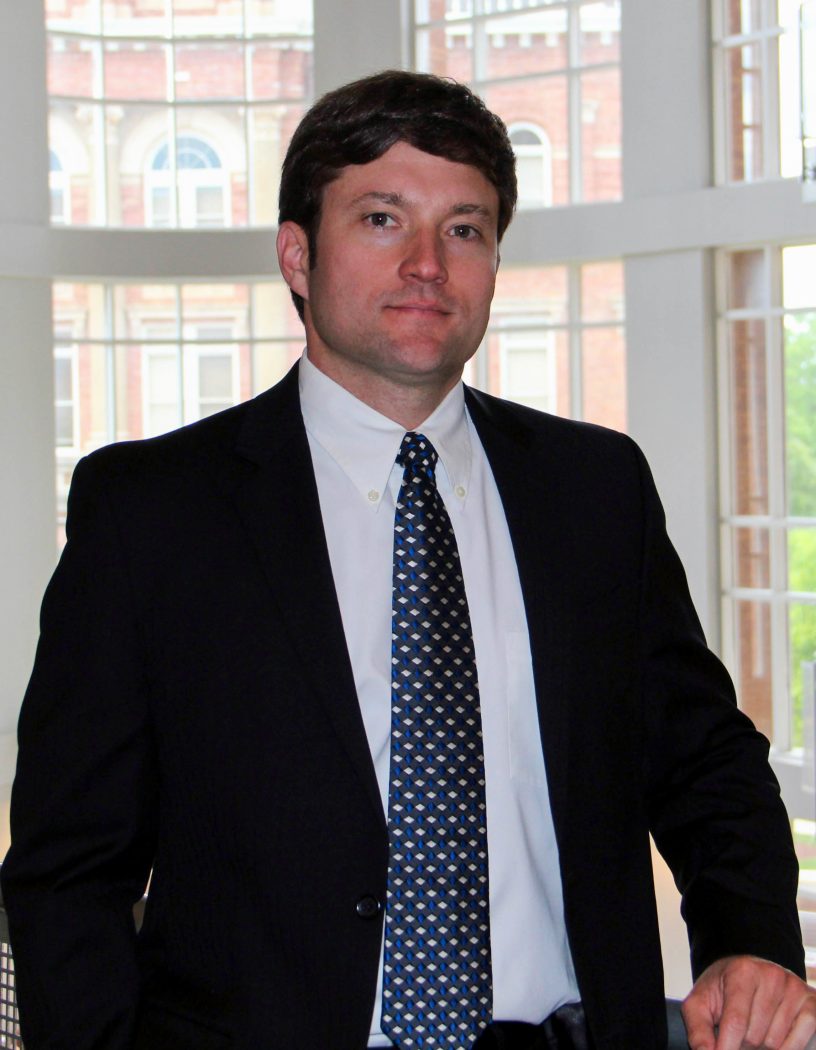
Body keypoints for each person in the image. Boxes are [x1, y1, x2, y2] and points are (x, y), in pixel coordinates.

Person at [2, 69, 814, 1050]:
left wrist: (751, 941)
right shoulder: (152, 512)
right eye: (383, 219)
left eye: (464, 228)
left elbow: (705, 765)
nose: (428, 262)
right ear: (297, 256)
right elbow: (67, 870)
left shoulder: (595, 490)